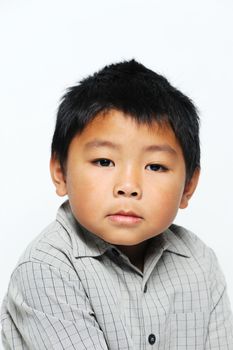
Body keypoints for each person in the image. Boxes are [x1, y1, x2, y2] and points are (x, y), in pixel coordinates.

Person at [1, 59, 233, 350]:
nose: (128, 186)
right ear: (60, 172)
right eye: (104, 161)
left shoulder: (200, 262)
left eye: (156, 166)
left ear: (188, 187)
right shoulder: (46, 269)